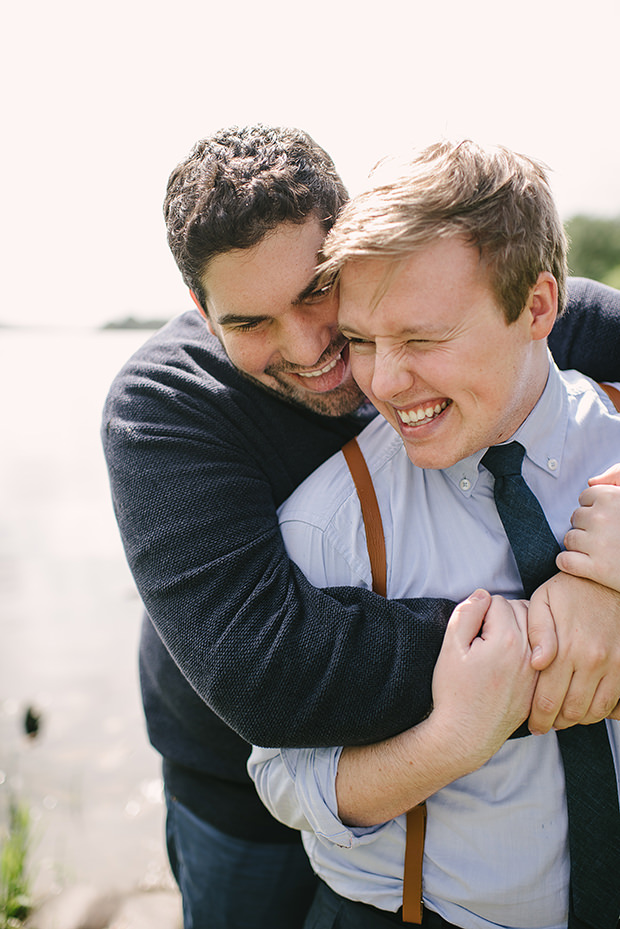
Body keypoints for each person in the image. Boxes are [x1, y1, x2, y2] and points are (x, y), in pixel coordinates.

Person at [101, 126, 620, 929]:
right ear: (203, 313)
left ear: (353, 249)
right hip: (234, 783)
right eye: (251, 324)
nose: (314, 349)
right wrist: (558, 630)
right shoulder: (164, 410)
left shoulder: (525, 309)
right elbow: (264, 667)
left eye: (316, 293)